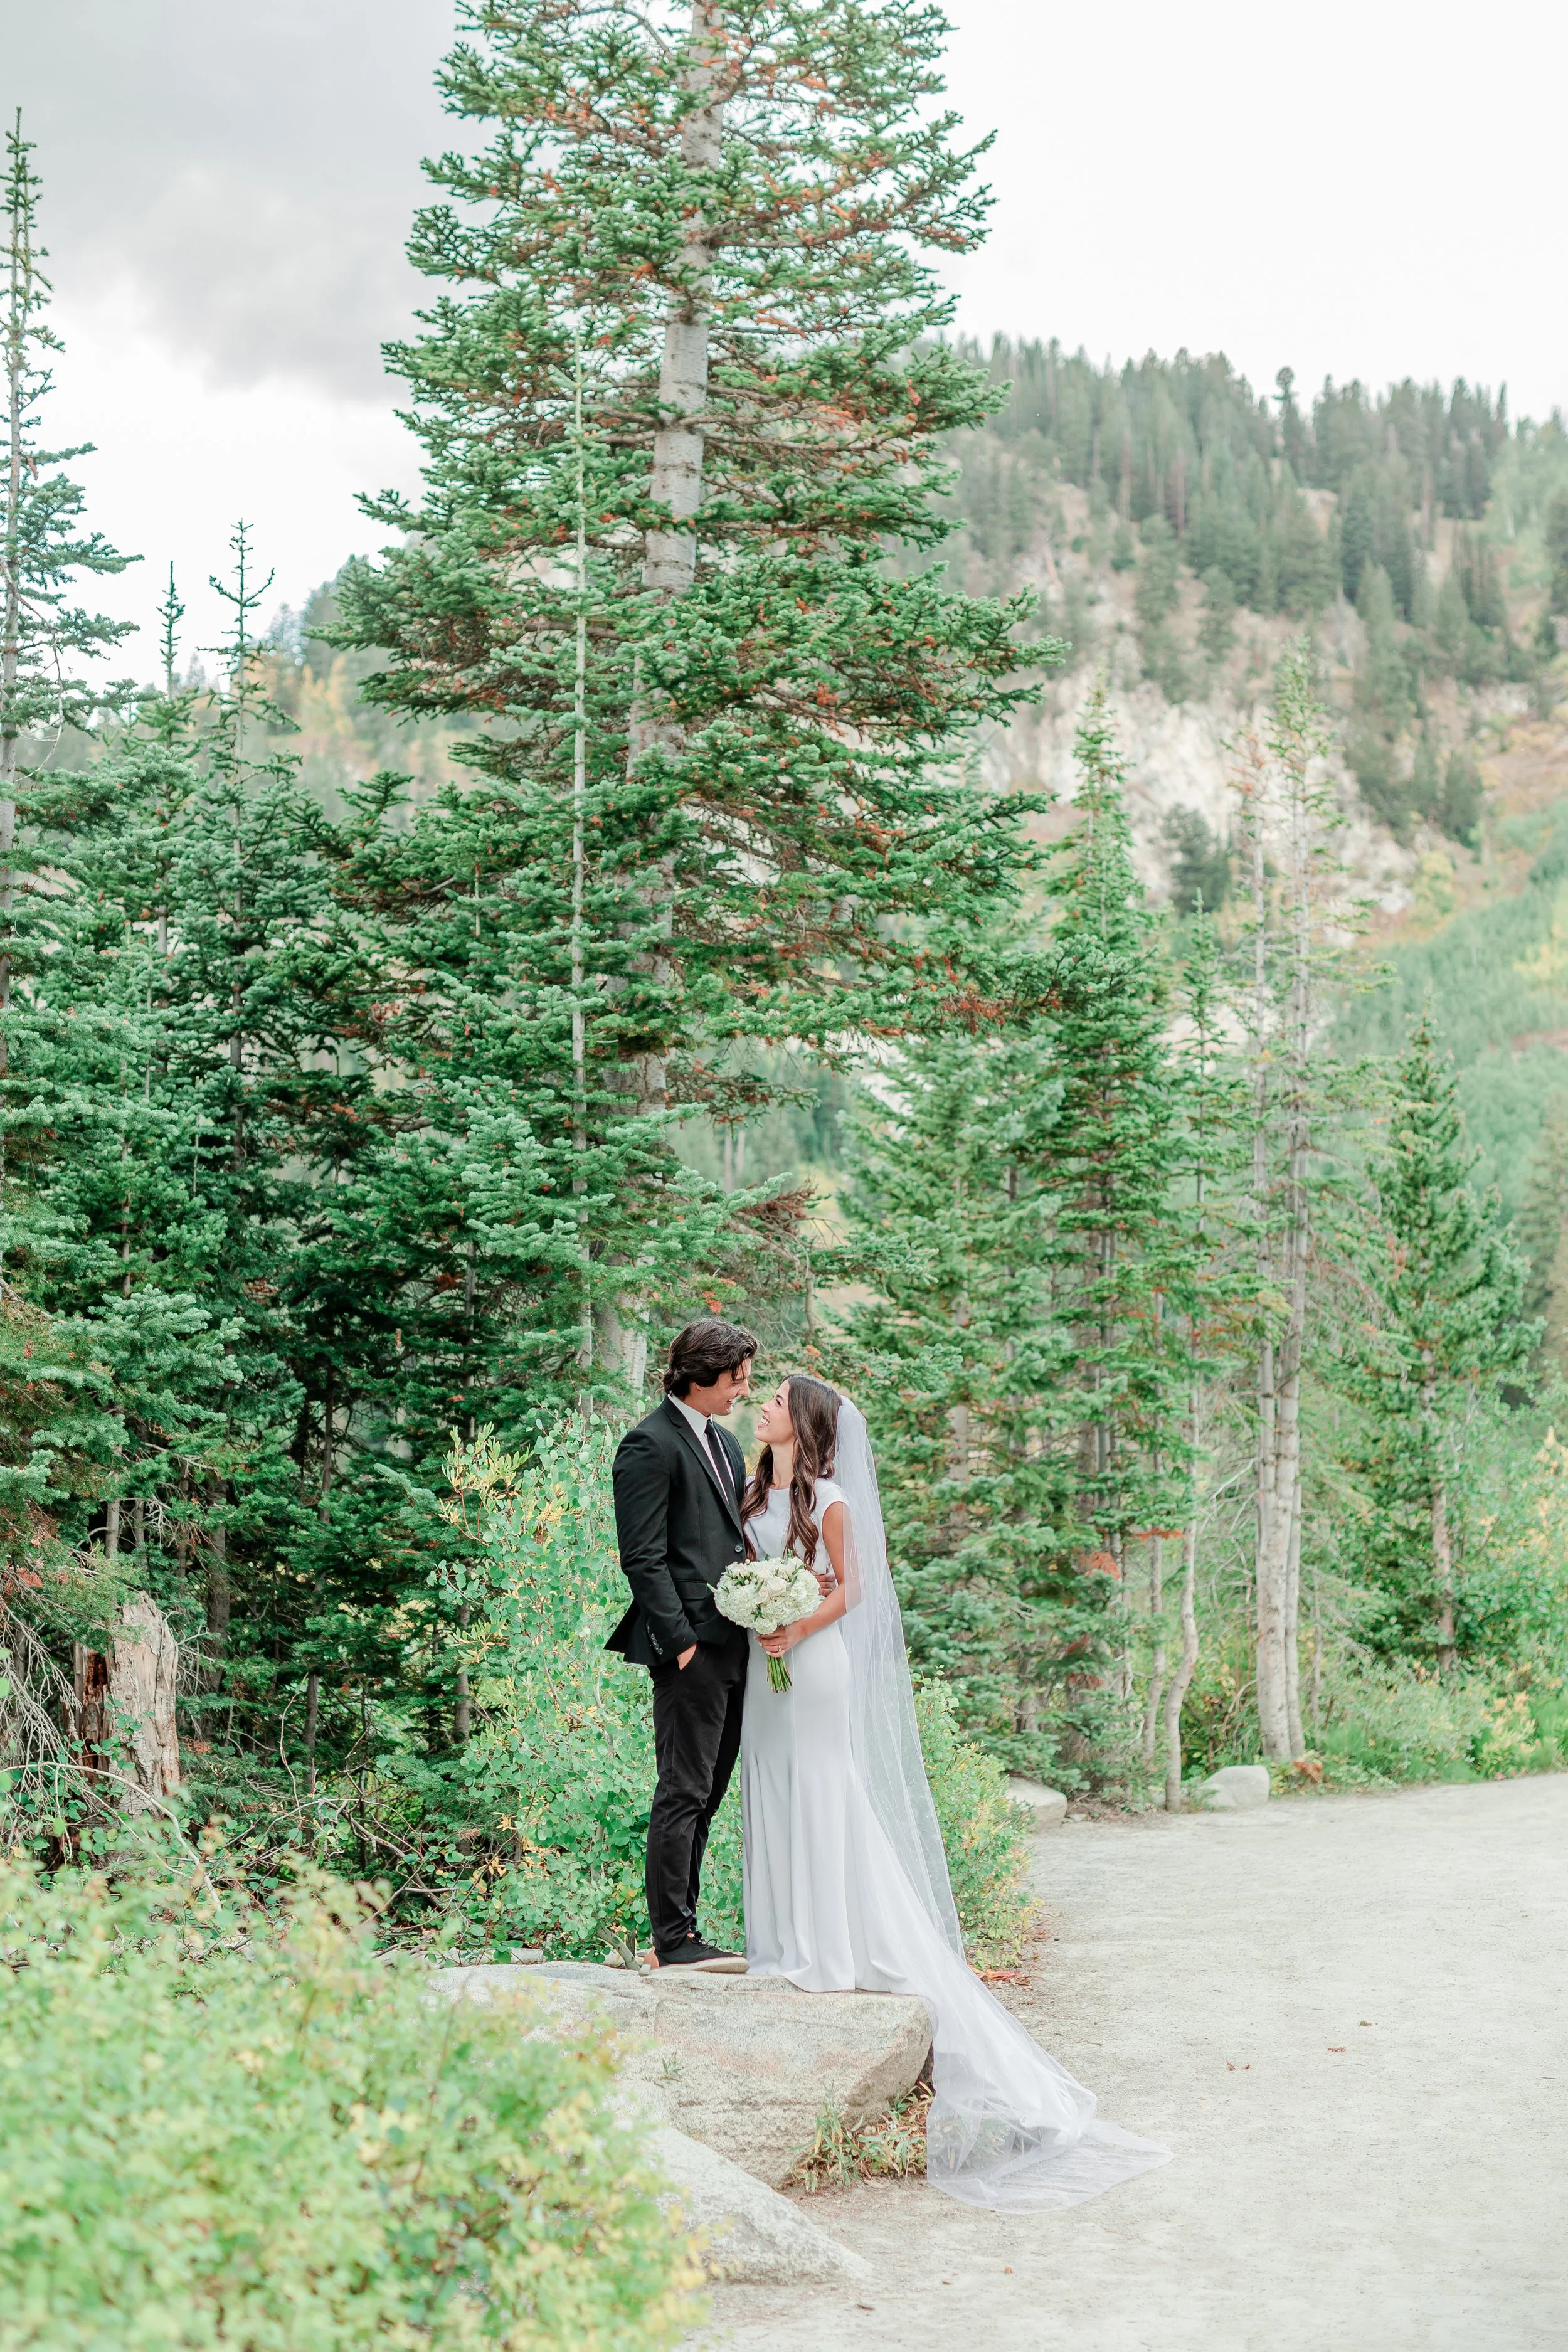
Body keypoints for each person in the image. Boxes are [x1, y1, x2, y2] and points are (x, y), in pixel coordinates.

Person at [738, 1371, 1172, 2210]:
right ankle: (785, 1939)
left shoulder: (830, 1497)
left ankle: (828, 1947)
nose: (763, 1407)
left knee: (825, 1788)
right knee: (773, 1784)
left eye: (775, 1400)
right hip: (763, 1670)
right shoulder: (755, 1485)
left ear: (804, 1421)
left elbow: (851, 1589)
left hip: (813, 1663)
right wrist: (755, 1616)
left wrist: (795, 1626)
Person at [606, 1317, 758, 1971]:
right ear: (700, 1376)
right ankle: (673, 1939)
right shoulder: (648, 1444)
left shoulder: (725, 1444)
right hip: (689, 1647)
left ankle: (685, 1931)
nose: (744, 1391)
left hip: (736, 1642)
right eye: (736, 1380)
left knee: (711, 1790)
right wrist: (682, 1645)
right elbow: (642, 1558)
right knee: (683, 1791)